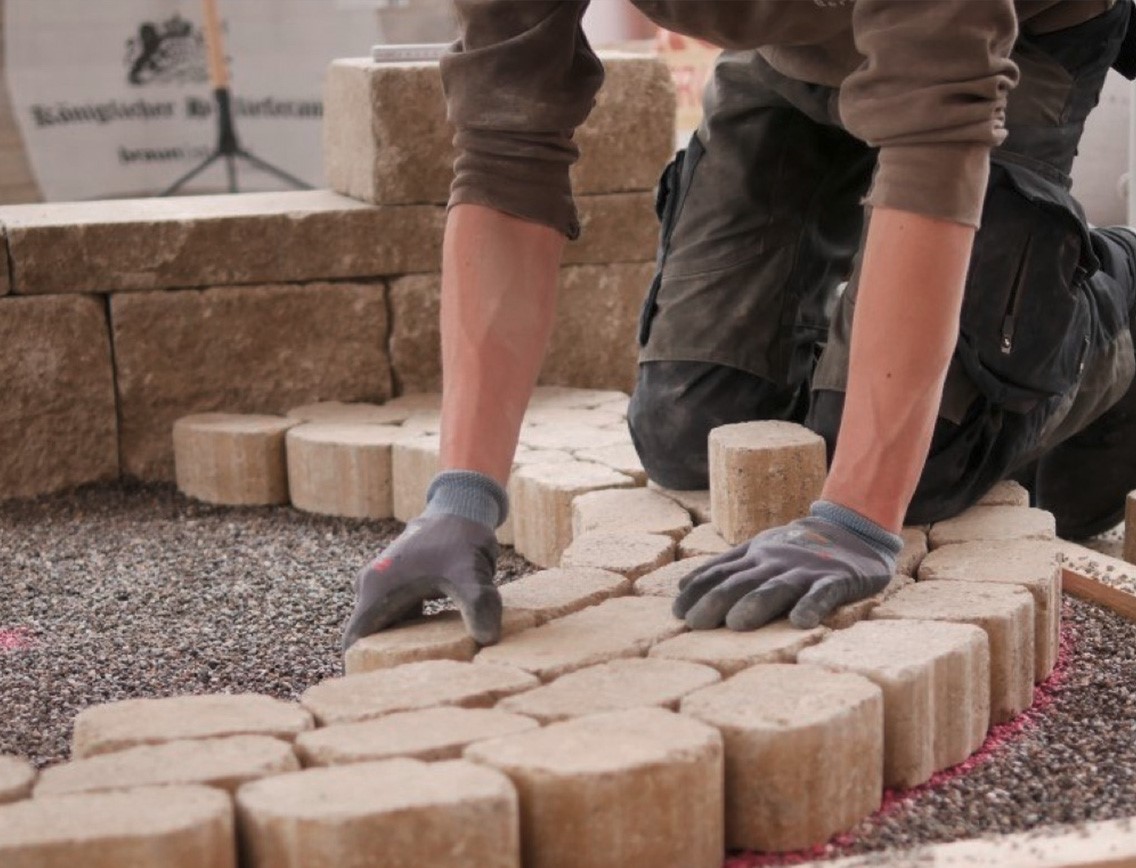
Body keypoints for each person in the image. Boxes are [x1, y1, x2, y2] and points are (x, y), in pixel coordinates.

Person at [342, 0, 1136, 651]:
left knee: (923, 469)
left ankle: (1114, 289)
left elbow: (935, 138)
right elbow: (505, 145)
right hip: (790, 48)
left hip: (1016, 37)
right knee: (686, 431)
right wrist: (461, 497)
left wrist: (856, 519)